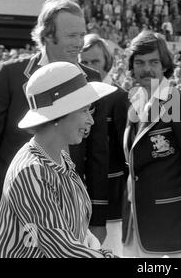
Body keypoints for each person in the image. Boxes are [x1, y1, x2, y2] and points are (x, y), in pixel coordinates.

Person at [0, 0, 111, 257]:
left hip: (70, 214)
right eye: (71, 35)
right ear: (47, 35)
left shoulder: (90, 79)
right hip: (13, 211)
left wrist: (97, 216)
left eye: (82, 34)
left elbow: (98, 154)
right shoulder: (9, 74)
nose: (80, 43)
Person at [0, 61, 117, 258]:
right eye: (84, 110)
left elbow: (75, 232)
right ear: (58, 115)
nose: (90, 120)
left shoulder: (60, 158)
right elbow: (62, 249)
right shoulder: (31, 171)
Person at [122, 30, 181, 257]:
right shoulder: (133, 101)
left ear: (164, 66)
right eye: (139, 62)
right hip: (134, 219)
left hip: (168, 219)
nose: (146, 69)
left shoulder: (179, 102)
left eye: (154, 62)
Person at [79, 34, 129, 255]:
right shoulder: (76, 96)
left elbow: (124, 152)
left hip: (111, 199)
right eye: (84, 62)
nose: (89, 67)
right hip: (80, 197)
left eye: (95, 62)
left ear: (107, 63)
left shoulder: (119, 97)